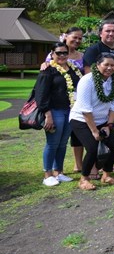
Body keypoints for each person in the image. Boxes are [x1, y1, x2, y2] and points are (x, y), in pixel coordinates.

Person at [69, 53, 114, 190]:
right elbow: (85, 108)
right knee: (93, 148)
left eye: (112, 65)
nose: (109, 68)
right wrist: (94, 131)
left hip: (103, 120)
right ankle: (84, 179)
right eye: (106, 65)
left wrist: (109, 126)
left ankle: (106, 175)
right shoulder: (87, 80)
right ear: (98, 65)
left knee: (112, 145)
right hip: (81, 119)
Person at [36, 42, 82, 186]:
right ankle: (47, 174)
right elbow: (41, 94)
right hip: (54, 111)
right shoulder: (48, 70)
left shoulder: (73, 69)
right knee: (53, 143)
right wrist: (47, 114)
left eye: (64, 53)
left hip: (70, 111)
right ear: (52, 54)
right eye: (58, 53)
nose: (62, 56)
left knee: (62, 143)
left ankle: (58, 172)